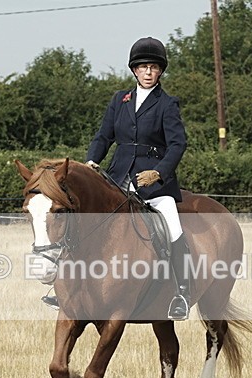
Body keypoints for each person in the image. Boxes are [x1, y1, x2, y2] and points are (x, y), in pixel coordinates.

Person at [85, 36, 190, 321]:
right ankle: (73, 287)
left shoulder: (167, 104)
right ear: (134, 70)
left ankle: (182, 292)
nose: (148, 72)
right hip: (118, 176)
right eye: (143, 67)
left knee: (173, 228)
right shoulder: (120, 100)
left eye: (153, 67)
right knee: (86, 221)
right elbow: (104, 136)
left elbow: (178, 144)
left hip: (154, 183)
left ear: (160, 71)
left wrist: (159, 172)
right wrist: (92, 161)